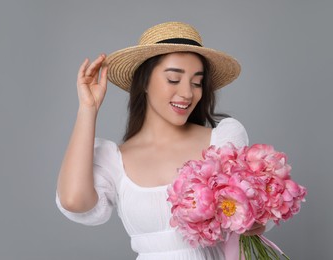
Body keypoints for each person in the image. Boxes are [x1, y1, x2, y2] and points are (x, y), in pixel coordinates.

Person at [56, 21, 266, 260]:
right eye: (174, 79)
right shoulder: (115, 160)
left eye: (196, 83)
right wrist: (88, 109)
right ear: (144, 82)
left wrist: (254, 221)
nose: (187, 93)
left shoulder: (223, 141)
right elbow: (73, 200)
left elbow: (251, 212)